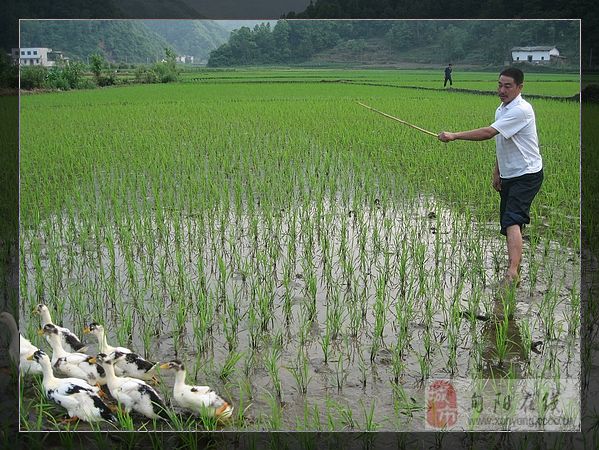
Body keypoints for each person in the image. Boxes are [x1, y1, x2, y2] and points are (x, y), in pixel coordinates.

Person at [437, 67, 543, 291]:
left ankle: (512, 273)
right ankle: (514, 266)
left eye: (508, 86)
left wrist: (454, 135)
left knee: (512, 220)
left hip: (527, 174)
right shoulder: (501, 109)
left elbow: (489, 133)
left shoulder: (522, 110)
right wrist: (498, 171)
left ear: (519, 87)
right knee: (510, 221)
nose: (502, 90)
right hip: (510, 173)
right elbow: (502, 141)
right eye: (500, 85)